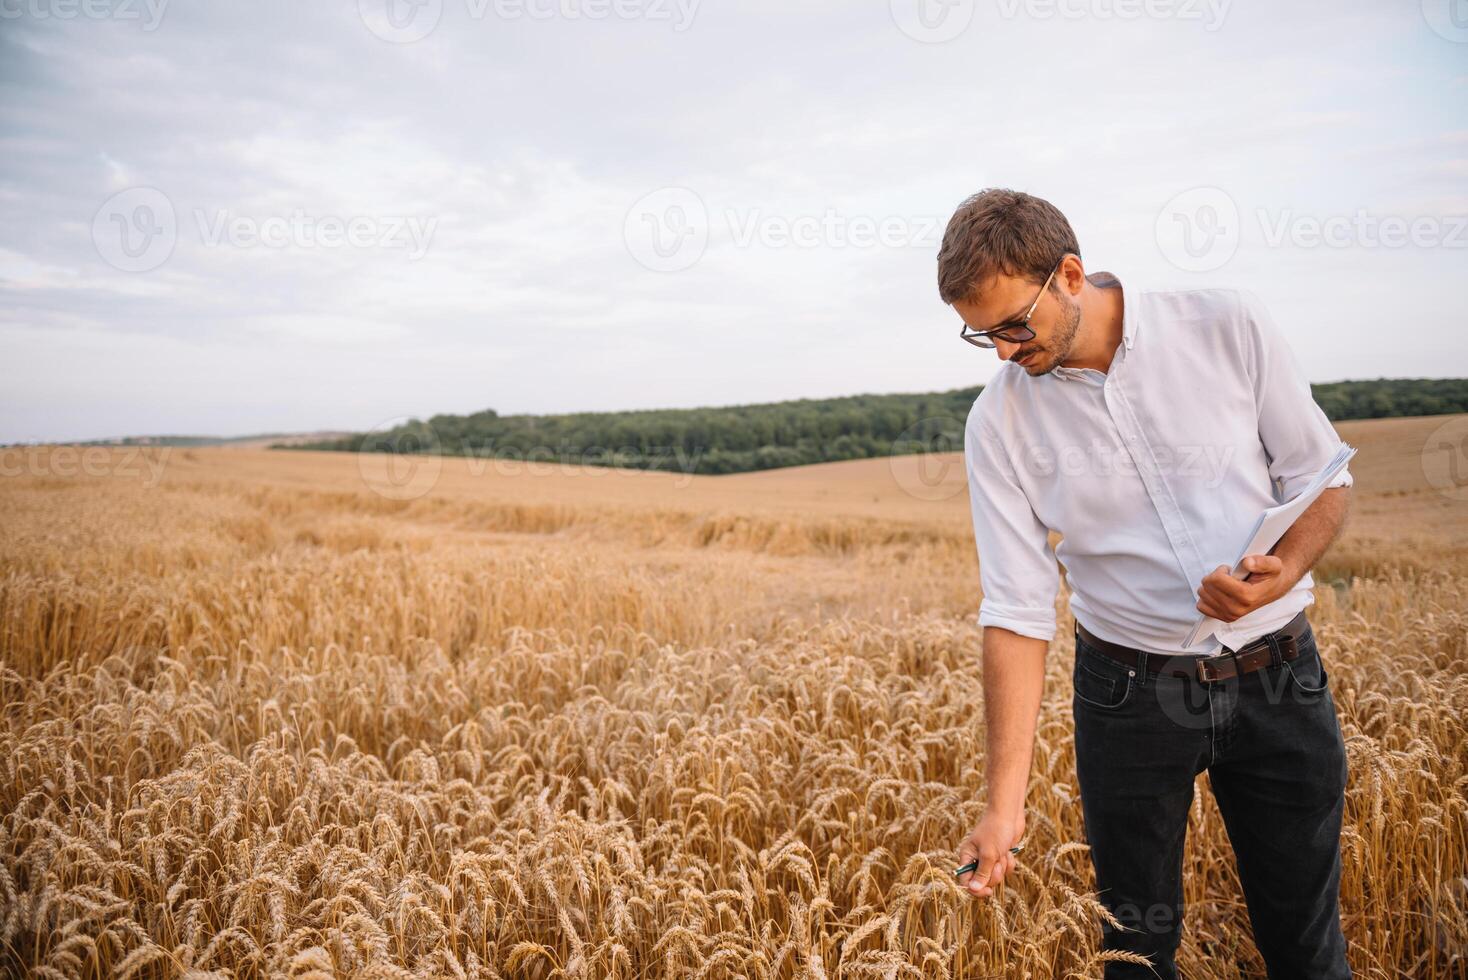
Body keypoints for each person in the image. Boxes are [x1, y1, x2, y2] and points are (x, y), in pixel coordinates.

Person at [941, 188, 1354, 979]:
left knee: (1305, 945)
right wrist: (1004, 806)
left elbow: (1325, 476)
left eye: (1012, 325)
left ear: (1069, 273)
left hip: (1280, 681)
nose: (1000, 352)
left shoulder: (1226, 324)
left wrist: (1286, 571)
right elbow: (1018, 612)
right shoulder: (998, 423)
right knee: (1135, 954)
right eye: (979, 335)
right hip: (1125, 699)